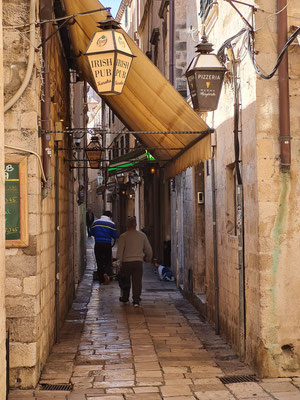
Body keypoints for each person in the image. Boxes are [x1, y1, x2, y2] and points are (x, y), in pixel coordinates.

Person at [117, 216, 152, 307]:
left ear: (126, 225)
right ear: (136, 225)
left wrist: (118, 264)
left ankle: (125, 298)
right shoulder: (142, 235)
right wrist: (148, 259)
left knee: (125, 281)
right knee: (137, 282)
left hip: (126, 263)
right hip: (138, 262)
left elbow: (119, 253)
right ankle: (136, 301)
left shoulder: (123, 236)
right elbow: (149, 250)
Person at [90, 210, 118, 285]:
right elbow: (115, 235)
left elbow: (91, 232)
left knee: (99, 261)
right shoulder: (111, 224)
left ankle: (101, 279)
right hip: (107, 244)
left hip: (98, 244)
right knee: (107, 261)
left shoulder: (96, 223)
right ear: (110, 217)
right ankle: (106, 273)